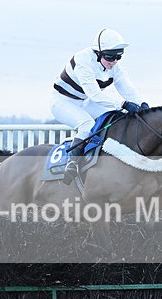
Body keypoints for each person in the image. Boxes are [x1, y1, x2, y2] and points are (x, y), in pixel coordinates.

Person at [51, 28, 149, 184]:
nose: (114, 61)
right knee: (87, 124)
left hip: (84, 101)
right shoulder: (83, 61)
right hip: (62, 101)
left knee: (115, 117)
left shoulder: (115, 67)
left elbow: (127, 88)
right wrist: (123, 103)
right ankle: (72, 163)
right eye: (110, 57)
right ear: (98, 53)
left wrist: (141, 104)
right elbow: (95, 95)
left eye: (118, 57)